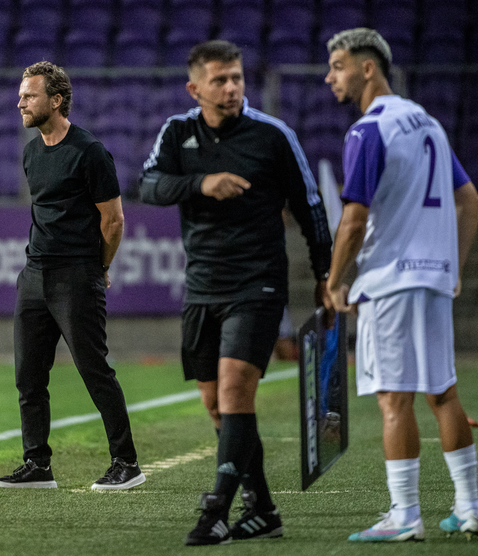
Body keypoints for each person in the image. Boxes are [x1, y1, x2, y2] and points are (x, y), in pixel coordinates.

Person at [139, 40, 333, 546]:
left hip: (257, 284)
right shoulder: (177, 132)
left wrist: (325, 274)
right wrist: (201, 184)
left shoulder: (273, 135)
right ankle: (263, 509)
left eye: (237, 78)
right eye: (220, 80)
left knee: (234, 392)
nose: (231, 88)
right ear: (195, 88)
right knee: (216, 406)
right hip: (202, 286)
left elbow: (311, 206)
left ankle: (216, 512)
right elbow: (149, 185)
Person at [324, 28, 478, 542]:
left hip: (390, 281)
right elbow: (471, 201)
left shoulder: (368, 130)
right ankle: (469, 509)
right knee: (443, 394)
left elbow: (353, 220)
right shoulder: (427, 123)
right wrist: (453, 268)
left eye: (338, 65)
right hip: (433, 278)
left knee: (394, 401)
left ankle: (405, 516)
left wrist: (334, 281)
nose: (330, 77)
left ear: (367, 68)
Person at [0, 61, 145, 491]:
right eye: (21, 95)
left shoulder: (89, 151)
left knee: (94, 370)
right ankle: (37, 464)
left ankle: (127, 462)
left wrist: (100, 268)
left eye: (29, 95)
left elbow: (113, 220)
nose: (20, 103)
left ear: (56, 100)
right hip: (34, 275)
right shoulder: (31, 152)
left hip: (76, 276)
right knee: (28, 377)